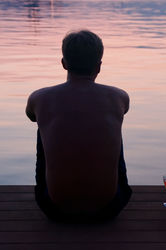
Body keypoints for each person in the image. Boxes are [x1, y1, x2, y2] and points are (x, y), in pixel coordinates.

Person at [25, 30, 132, 222]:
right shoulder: (119, 97)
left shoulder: (39, 98)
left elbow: (31, 116)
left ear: (64, 63)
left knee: (45, 123)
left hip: (55, 210)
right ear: (99, 67)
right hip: (109, 208)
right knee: (111, 121)